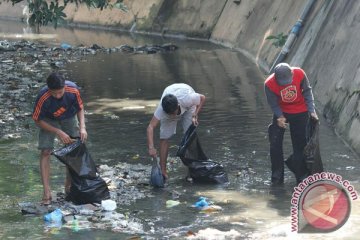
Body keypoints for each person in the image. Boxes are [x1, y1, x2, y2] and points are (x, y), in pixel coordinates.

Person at [32, 72, 87, 205]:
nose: (57, 95)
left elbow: (80, 108)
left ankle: (68, 186)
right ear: (48, 89)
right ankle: (46, 191)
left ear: (64, 87)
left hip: (68, 116)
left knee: (72, 150)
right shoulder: (43, 97)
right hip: (48, 120)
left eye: (60, 92)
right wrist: (58, 132)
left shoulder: (72, 89)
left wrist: (82, 127)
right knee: (46, 151)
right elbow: (37, 120)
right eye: (54, 93)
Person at [264, 63, 318, 185]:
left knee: (300, 145)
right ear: (275, 77)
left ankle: (301, 177)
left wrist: (312, 110)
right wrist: (279, 116)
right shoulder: (269, 83)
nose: (285, 83)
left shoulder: (300, 73)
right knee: (275, 144)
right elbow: (273, 103)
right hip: (282, 112)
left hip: (301, 111)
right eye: (282, 81)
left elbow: (307, 92)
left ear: (292, 74)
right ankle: (277, 178)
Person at [147, 83, 206, 179]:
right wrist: (151, 147)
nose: (174, 116)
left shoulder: (189, 98)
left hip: (188, 105)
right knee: (164, 138)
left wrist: (195, 114)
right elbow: (150, 127)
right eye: (170, 114)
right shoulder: (162, 109)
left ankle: (192, 170)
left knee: (190, 136)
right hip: (170, 96)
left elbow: (203, 98)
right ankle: (163, 171)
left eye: (174, 113)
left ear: (178, 105)